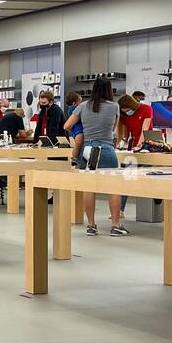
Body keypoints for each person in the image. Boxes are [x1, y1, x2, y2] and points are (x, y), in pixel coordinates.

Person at [63, 79, 128, 236]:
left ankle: (91, 226)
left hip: (88, 149)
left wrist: (80, 134)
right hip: (106, 148)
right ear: (109, 90)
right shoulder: (114, 106)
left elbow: (66, 126)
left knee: (88, 189)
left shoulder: (83, 106)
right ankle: (115, 225)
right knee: (114, 188)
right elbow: (114, 129)